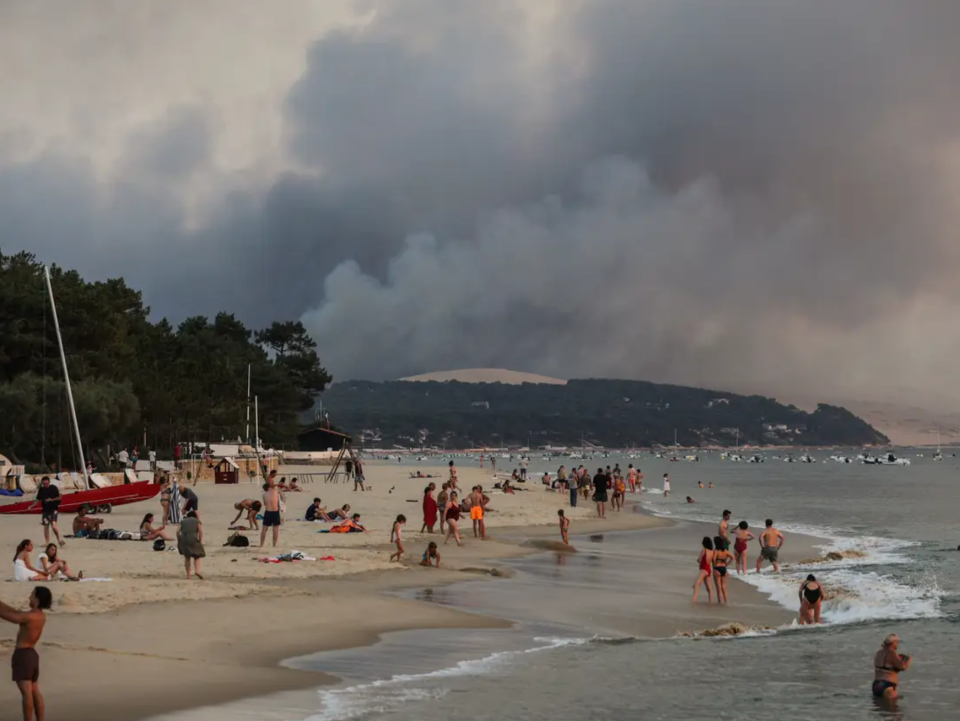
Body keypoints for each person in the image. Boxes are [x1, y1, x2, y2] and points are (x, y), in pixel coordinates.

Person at [0, 586, 52, 721]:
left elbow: (12, 616)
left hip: (23, 656)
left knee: (26, 694)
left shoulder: (30, 617)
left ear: (37, 599)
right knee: (34, 691)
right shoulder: (40, 616)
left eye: (32, 595)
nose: (29, 597)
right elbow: (16, 613)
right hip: (32, 655)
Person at [873, 634, 911, 700]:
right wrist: (908, 660)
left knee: (879, 706)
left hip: (877, 684)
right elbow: (902, 667)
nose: (897, 644)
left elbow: (886, 667)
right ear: (893, 643)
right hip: (888, 686)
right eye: (897, 642)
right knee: (893, 708)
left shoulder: (879, 653)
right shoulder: (892, 653)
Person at [33, 477, 64, 549]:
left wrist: (51, 499)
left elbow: (60, 497)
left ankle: (59, 540)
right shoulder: (42, 489)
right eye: (44, 484)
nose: (45, 485)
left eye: (47, 483)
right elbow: (38, 499)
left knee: (53, 525)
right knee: (46, 526)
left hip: (54, 509)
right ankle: (47, 542)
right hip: (45, 510)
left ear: (49, 482)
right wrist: (31, 506)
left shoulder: (54, 488)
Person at [177, 511, 205, 579]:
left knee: (187, 557)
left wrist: (179, 540)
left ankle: (188, 575)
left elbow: (177, 531)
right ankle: (197, 571)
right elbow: (200, 531)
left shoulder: (183, 521)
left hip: (184, 538)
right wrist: (200, 541)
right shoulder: (197, 521)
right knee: (197, 556)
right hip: (193, 537)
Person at [260, 478, 281, 548]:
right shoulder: (276, 492)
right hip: (275, 512)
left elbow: (265, 503)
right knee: (275, 529)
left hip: (268, 512)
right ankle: (274, 545)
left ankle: (261, 544)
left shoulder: (264, 494)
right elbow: (280, 502)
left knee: (264, 529)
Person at [693, 537, 714, 603]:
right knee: (709, 588)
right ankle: (710, 602)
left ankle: (694, 600)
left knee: (696, 585)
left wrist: (698, 560)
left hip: (703, 569)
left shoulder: (704, 550)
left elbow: (699, 560)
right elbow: (713, 561)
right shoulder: (712, 552)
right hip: (708, 570)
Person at [712, 535, 733, 604]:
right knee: (724, 587)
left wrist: (714, 565)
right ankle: (726, 602)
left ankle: (720, 602)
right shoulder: (725, 551)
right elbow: (732, 557)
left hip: (717, 568)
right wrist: (727, 564)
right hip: (724, 568)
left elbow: (713, 559)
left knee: (718, 588)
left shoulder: (716, 551)